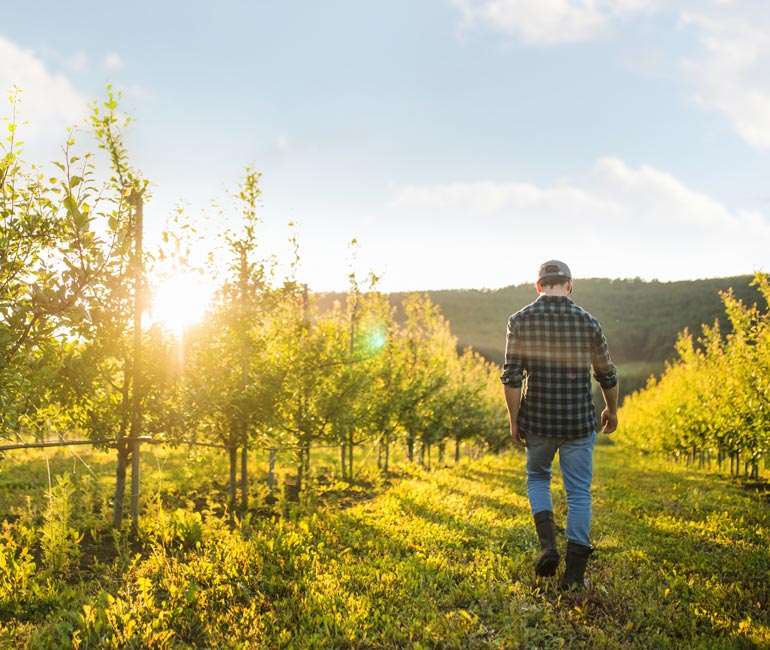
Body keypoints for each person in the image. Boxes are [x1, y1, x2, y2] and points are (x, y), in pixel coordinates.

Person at [501, 260, 618, 590]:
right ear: (569, 285)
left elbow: (511, 377)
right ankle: (574, 576)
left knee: (538, 477)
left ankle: (549, 547)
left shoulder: (519, 320)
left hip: (537, 421)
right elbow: (606, 373)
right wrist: (611, 410)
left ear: (539, 286)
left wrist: (515, 420)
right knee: (579, 493)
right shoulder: (588, 322)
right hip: (578, 423)